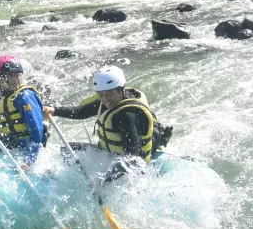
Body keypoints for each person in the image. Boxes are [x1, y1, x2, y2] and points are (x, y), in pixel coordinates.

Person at [43, 66, 172, 177]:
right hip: (111, 154)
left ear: (121, 89)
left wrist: (103, 180)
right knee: (66, 150)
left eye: (109, 94)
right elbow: (80, 112)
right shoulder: (108, 101)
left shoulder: (127, 116)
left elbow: (132, 158)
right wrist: (53, 110)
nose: (105, 99)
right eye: (101, 95)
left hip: (131, 165)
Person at [0, 55, 48, 167]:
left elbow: (36, 131)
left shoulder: (24, 96)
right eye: (9, 76)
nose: (15, 79)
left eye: (17, 75)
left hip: (28, 147)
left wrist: (28, 160)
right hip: (9, 144)